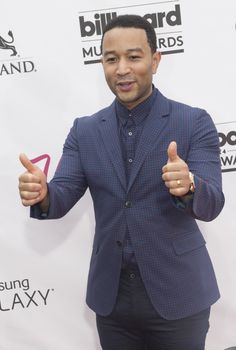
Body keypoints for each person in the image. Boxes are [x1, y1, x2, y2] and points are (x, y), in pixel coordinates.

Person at [18, 14, 224, 350]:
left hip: (179, 294)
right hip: (112, 300)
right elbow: (61, 193)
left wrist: (190, 185)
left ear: (155, 61)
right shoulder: (85, 130)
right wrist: (42, 194)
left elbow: (213, 202)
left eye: (134, 56)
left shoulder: (193, 122)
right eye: (111, 59)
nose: (122, 69)